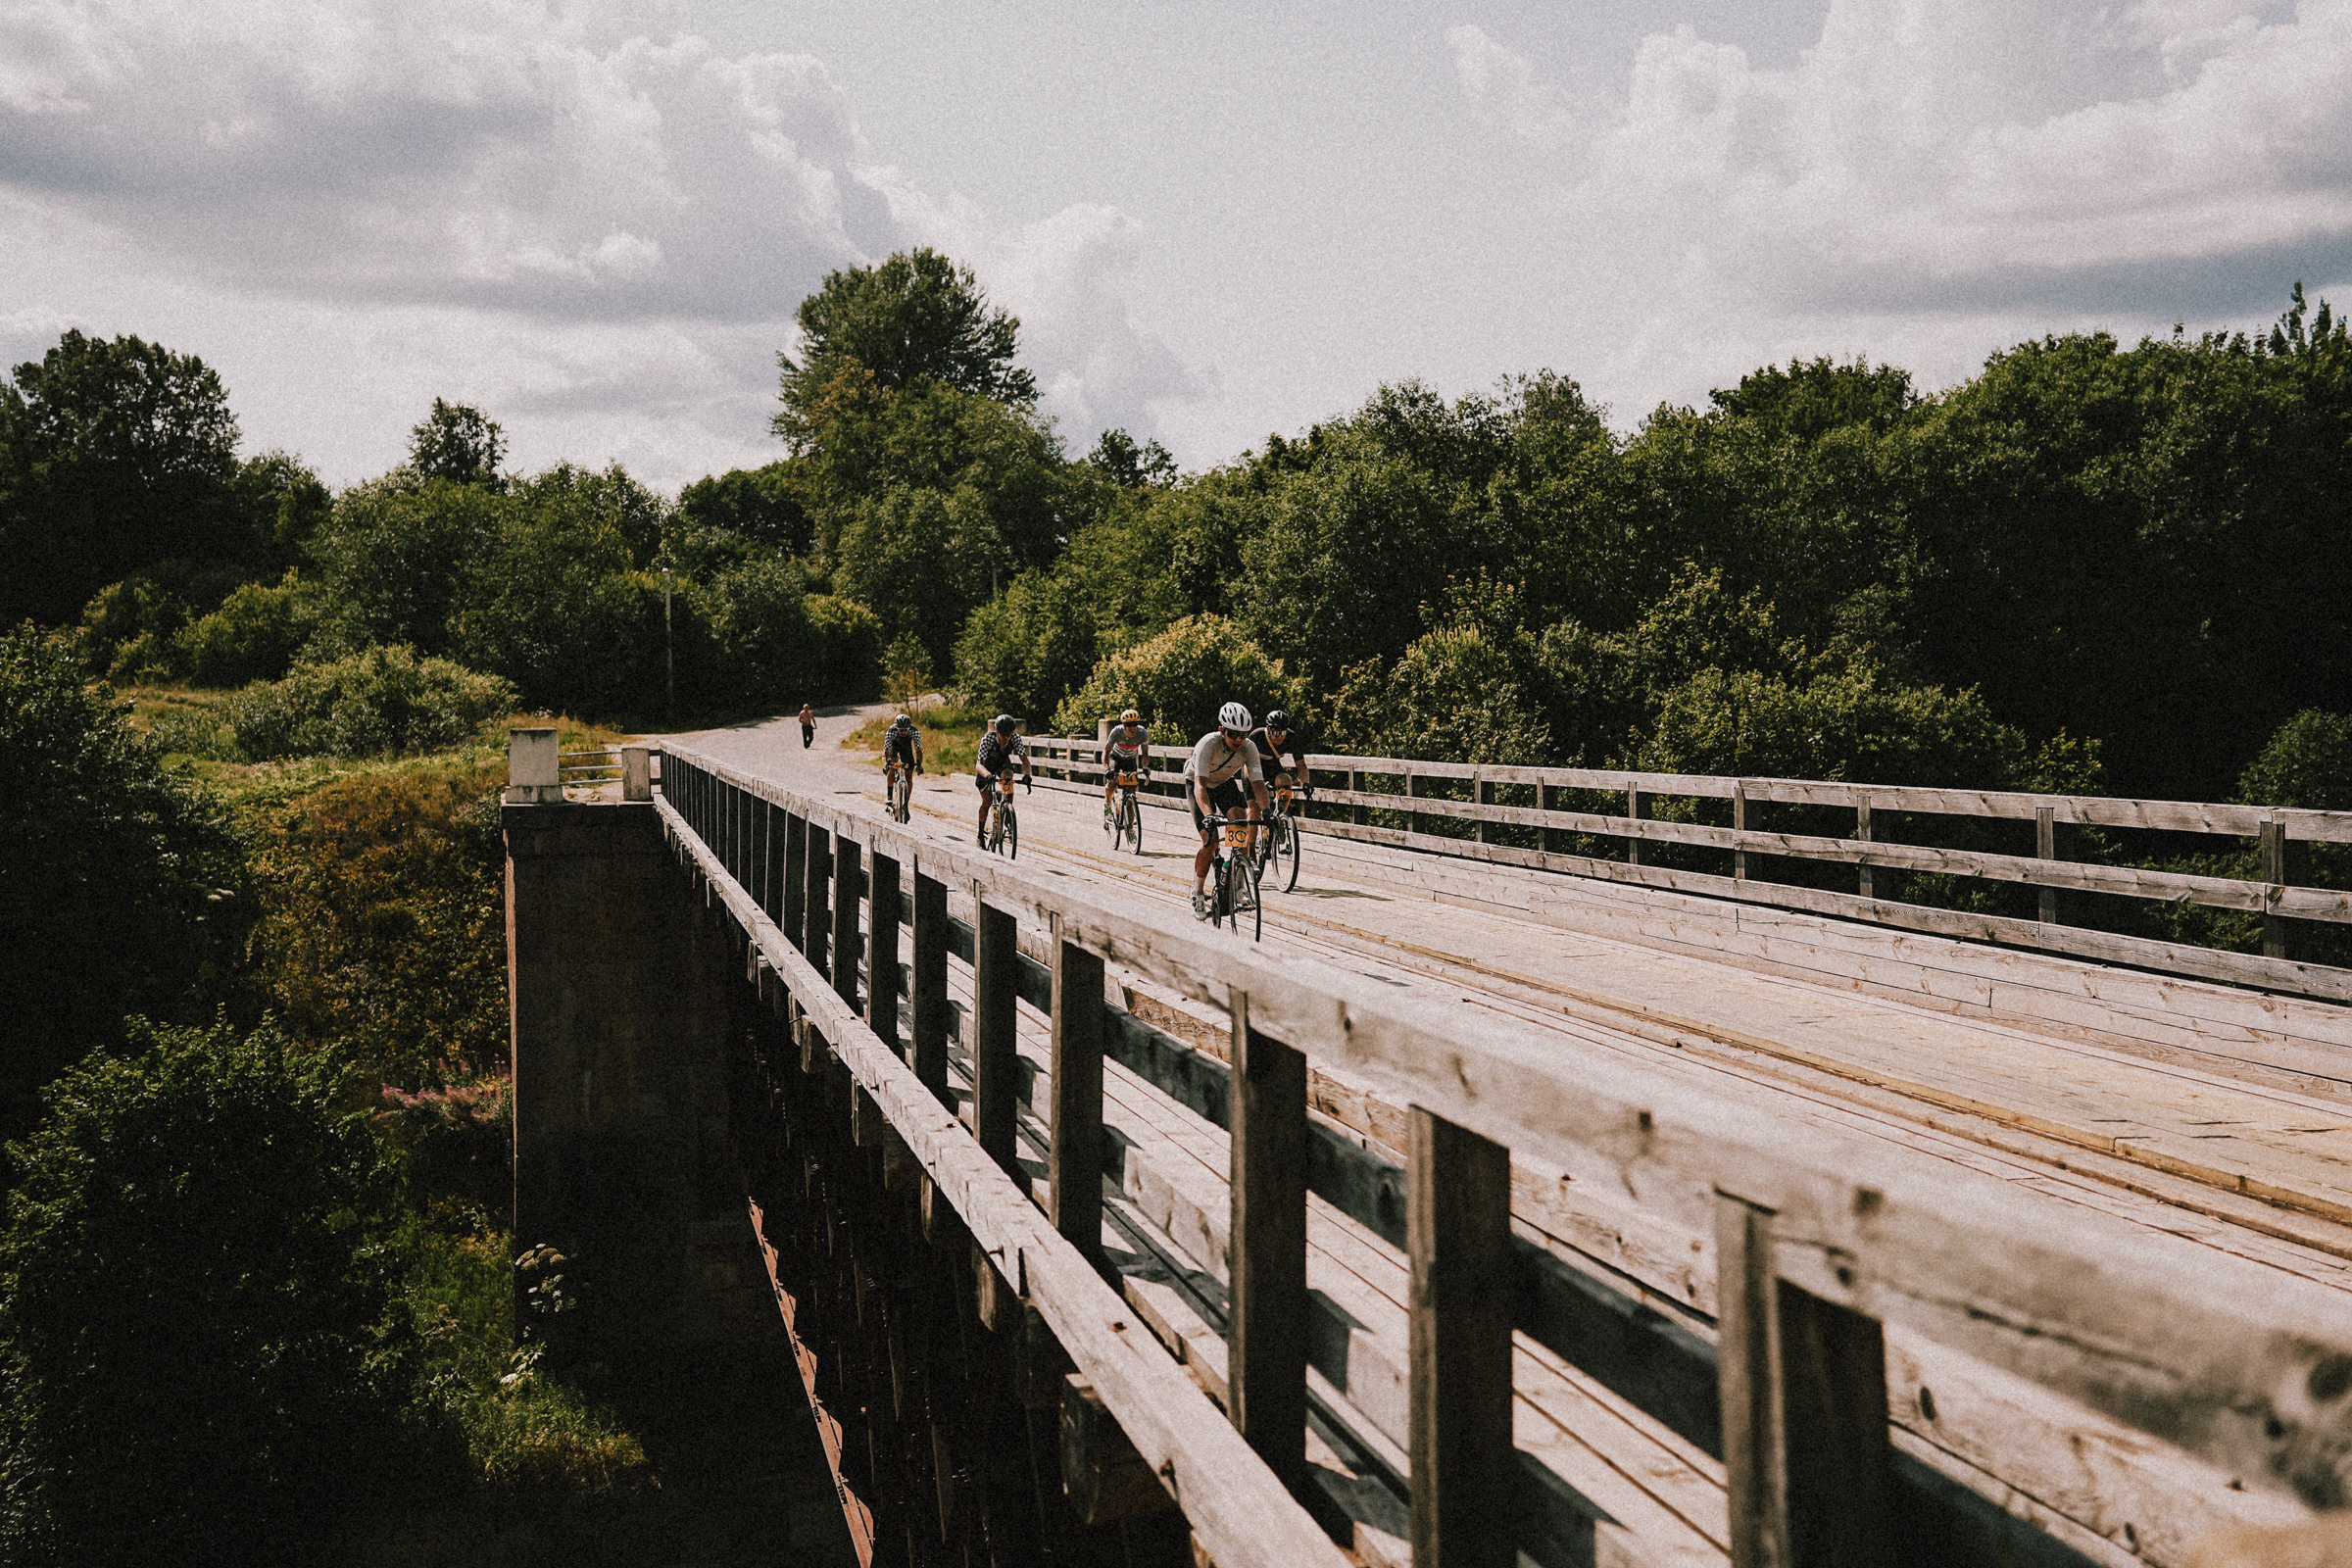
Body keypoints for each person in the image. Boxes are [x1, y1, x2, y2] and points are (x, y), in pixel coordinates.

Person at [1185, 701, 1270, 918]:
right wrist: (1209, 816)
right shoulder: (1208, 744)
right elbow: (1200, 786)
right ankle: (1197, 892)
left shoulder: (1249, 748)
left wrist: (1268, 812)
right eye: (1233, 734)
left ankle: (1239, 885)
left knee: (1240, 819)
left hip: (1223, 783)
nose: (1239, 740)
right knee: (1210, 841)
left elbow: (1258, 785)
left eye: (1244, 734)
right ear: (1222, 730)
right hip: (1199, 783)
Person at [974, 713, 1030, 846]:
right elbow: (978, 764)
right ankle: (980, 834)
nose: (1006, 738)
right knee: (986, 802)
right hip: (986, 766)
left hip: (1002, 763)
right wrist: (987, 775)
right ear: (996, 731)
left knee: (1008, 776)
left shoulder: (1015, 738)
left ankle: (1007, 813)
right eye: (1003, 734)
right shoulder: (988, 739)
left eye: (1009, 734)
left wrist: (1027, 775)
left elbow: (1025, 761)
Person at [1247, 710, 1316, 805]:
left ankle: (1282, 815)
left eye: (1283, 733)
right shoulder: (1256, 736)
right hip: (1254, 767)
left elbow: (1301, 765)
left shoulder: (1291, 738)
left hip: (1272, 766)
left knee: (1285, 781)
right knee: (1255, 808)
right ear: (1268, 729)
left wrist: (1306, 783)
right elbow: (1245, 762)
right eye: (1276, 733)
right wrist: (1257, 783)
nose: (1280, 737)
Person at [1102, 708, 1151, 818]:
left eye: (1135, 724)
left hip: (1130, 760)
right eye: (1129, 725)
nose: (1133, 728)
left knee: (1132, 793)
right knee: (1113, 781)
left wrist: (1145, 767)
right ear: (1124, 725)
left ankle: (1131, 830)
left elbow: (1145, 753)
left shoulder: (1142, 733)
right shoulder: (1116, 731)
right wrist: (1107, 769)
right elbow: (1106, 751)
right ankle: (1108, 804)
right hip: (1116, 758)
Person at [882, 711, 924, 794]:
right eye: (901, 730)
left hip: (906, 747)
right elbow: (886, 752)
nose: (903, 732)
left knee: (909, 776)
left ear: (909, 728)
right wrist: (885, 765)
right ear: (897, 728)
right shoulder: (891, 731)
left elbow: (919, 750)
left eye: (906, 730)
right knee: (892, 767)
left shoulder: (914, 731)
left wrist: (919, 765)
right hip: (894, 746)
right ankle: (889, 796)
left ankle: (905, 803)